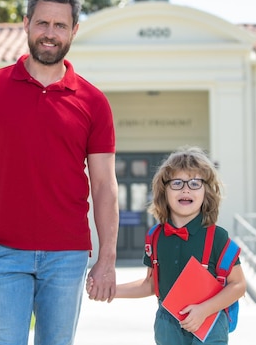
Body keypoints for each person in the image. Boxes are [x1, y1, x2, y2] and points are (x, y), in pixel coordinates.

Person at [0, 0, 120, 345]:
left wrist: (107, 257)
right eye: (42, 23)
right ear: (26, 23)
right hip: (3, 253)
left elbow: (105, 185)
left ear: (74, 30)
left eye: (60, 25)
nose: (50, 33)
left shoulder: (93, 102)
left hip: (67, 256)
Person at [87, 146, 246, 345]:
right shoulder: (155, 237)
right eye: (177, 183)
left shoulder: (217, 237)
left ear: (206, 192)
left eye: (195, 183)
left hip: (209, 323)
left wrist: (204, 309)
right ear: (164, 191)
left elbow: (238, 285)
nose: (186, 189)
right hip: (167, 325)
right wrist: (109, 290)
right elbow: (151, 285)